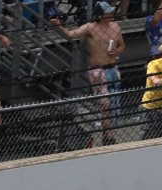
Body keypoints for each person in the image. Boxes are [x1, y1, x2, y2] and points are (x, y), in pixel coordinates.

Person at [51, 1, 123, 146]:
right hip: (98, 71)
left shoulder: (115, 26)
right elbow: (72, 35)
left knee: (114, 102)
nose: (111, 14)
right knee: (105, 103)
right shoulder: (91, 28)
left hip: (112, 68)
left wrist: (117, 51)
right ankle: (108, 135)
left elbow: (122, 44)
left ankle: (108, 133)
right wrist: (58, 26)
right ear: (101, 15)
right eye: (108, 12)